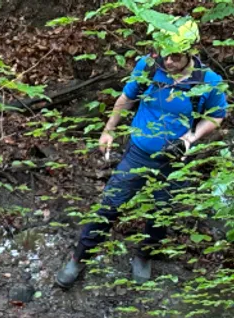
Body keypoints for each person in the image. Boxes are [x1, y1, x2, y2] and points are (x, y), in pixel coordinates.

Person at [56, 17, 227, 288]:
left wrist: (190, 138)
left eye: (175, 57)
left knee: (161, 210)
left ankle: (144, 255)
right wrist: (109, 129)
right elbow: (127, 97)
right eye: (163, 54)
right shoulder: (148, 66)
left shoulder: (207, 81)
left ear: (191, 52)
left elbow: (217, 116)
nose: (167, 62)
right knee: (110, 205)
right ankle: (79, 258)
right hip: (138, 152)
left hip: (173, 159)